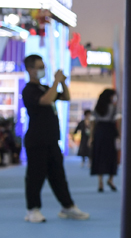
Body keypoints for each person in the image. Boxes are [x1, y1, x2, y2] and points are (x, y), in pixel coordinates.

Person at [22, 55, 89, 222]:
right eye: (39, 67)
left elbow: (66, 97)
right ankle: (32, 209)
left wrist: (62, 82)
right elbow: (46, 100)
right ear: (30, 69)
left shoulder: (45, 87)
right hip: (36, 140)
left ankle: (67, 206)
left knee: (58, 176)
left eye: (43, 66)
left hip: (51, 140)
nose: (42, 70)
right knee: (35, 176)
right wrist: (56, 82)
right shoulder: (29, 90)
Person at [91, 89, 120, 192]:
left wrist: (91, 137)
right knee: (111, 156)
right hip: (109, 132)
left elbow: (93, 123)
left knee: (99, 156)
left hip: (99, 132)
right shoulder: (113, 107)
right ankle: (110, 179)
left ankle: (100, 182)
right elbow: (118, 121)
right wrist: (119, 135)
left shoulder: (97, 107)